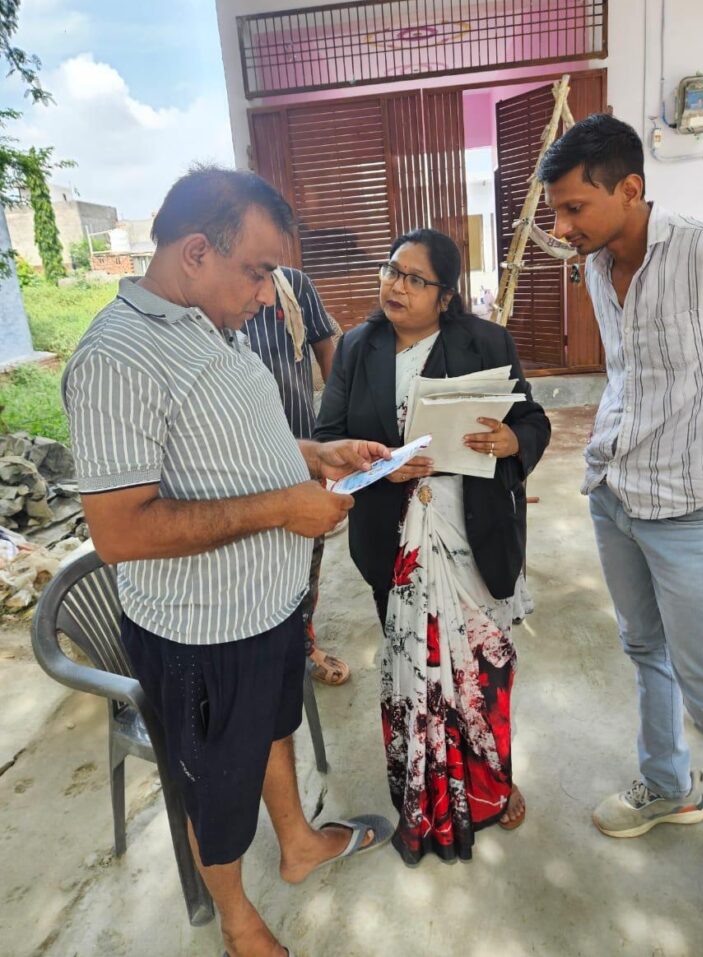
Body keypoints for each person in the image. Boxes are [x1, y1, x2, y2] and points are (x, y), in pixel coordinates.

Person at [62, 167, 393, 957]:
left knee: (275, 730)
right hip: (202, 635)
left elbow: (228, 449)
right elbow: (121, 531)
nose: (267, 290)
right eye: (256, 270)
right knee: (215, 787)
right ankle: (240, 924)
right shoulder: (117, 359)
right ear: (197, 252)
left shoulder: (215, 324)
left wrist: (313, 455)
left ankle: (300, 842)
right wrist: (283, 507)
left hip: (269, 606)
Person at [538, 114, 703, 912]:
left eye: (575, 207)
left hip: (683, 507)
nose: (562, 226)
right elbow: (631, 374)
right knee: (642, 647)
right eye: (556, 210)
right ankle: (669, 786)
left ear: (632, 189)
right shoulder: (596, 263)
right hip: (614, 490)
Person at [314, 228, 551, 865]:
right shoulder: (359, 348)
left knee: (482, 670)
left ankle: (491, 786)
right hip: (392, 538)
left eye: (414, 278)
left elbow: (531, 419)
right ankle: (427, 799)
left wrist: (511, 442)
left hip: (471, 535)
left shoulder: (485, 343)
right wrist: (379, 470)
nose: (395, 285)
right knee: (415, 674)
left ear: (445, 296)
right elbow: (327, 441)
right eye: (392, 271)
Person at [244, 260, 350, 686]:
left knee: (307, 558)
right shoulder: (211, 300)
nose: (262, 293)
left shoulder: (292, 285)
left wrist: (337, 418)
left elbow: (326, 347)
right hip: (243, 459)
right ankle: (265, 653)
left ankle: (304, 645)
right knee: (256, 561)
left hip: (303, 449)